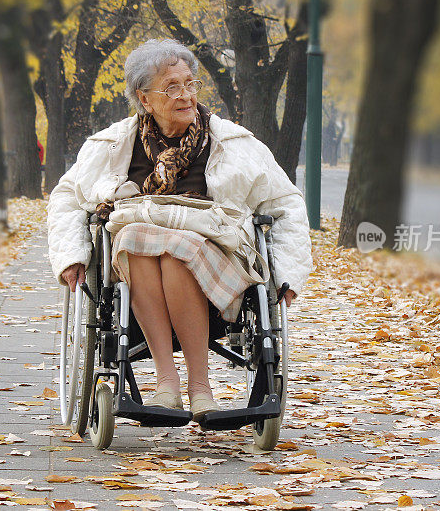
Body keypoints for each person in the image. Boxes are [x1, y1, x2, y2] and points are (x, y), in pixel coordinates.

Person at [48, 39, 312, 422]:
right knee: (135, 240)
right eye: (172, 87)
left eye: (190, 84)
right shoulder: (112, 146)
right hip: (136, 263)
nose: (186, 95)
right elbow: (67, 198)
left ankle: (200, 387)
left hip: (215, 260)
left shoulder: (234, 144)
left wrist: (286, 275)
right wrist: (72, 255)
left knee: (175, 251)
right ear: (145, 98)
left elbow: (286, 204)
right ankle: (166, 382)